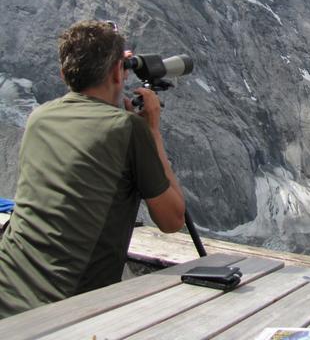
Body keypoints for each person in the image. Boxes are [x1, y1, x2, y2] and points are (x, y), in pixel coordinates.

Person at [0, 20, 185, 318]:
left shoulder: (39, 117)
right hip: (63, 314)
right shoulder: (127, 129)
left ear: (64, 74)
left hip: (6, 294)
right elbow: (172, 219)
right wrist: (152, 131)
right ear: (117, 72)